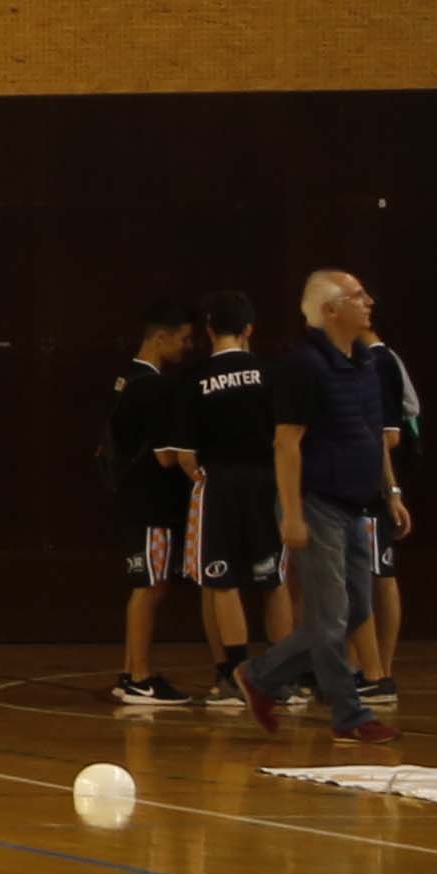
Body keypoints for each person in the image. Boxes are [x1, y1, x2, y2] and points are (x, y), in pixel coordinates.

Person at [238, 270, 401, 746]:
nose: (369, 301)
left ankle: (262, 676)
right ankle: (350, 715)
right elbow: (287, 443)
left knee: (353, 611)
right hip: (316, 504)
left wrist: (390, 492)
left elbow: (374, 436)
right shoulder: (303, 365)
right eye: (357, 296)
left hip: (356, 505)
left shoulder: (367, 363)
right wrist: (291, 513)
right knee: (329, 618)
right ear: (330, 310)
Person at [183, 288, 282, 710]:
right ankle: (281, 679)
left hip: (219, 483)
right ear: (248, 329)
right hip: (268, 482)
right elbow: (286, 437)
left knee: (221, 580)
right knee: (273, 580)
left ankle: (236, 677)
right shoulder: (271, 373)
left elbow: (185, 454)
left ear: (208, 330)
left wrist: (201, 476)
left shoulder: (194, 380)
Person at [104, 299, 200, 713]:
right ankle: (140, 678)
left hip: (134, 499)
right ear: (160, 338)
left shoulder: (125, 380)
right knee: (149, 586)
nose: (187, 346)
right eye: (182, 339)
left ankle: (132, 672)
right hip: (151, 504)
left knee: (150, 585)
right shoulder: (154, 387)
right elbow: (166, 455)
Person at [362, 305, 428, 709]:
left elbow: (388, 437)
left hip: (373, 487)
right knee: (360, 578)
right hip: (356, 487)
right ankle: (367, 670)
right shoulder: (357, 362)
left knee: (377, 574)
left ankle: (380, 671)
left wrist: (392, 492)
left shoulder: (379, 362)